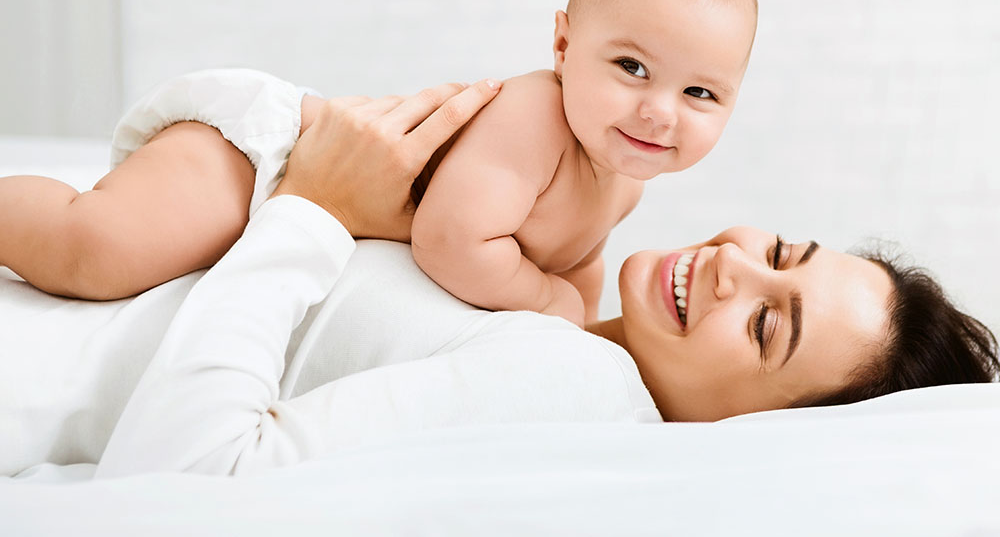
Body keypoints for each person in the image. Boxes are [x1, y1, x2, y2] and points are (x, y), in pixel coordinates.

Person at [1, 82, 995, 478]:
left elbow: (193, 481)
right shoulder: (564, 316)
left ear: (756, 429)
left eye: (767, 327)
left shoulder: (576, 392)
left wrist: (313, 208)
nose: (732, 266)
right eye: (780, 252)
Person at [0, 0, 758, 327]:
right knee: (94, 249)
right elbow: (452, 239)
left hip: (310, 199)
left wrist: (579, 314)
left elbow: (576, 255)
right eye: (631, 68)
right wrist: (544, 303)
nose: (659, 112)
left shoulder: (624, 179)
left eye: (701, 94)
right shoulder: (535, 115)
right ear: (563, 45)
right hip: (269, 159)